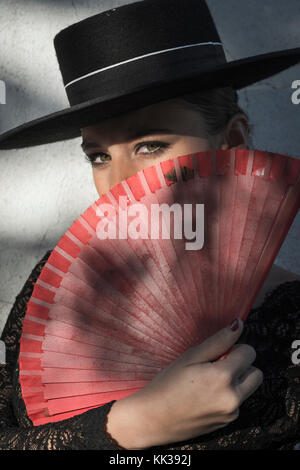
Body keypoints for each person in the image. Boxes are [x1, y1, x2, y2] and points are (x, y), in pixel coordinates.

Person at [0, 0, 300, 451]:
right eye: (98, 156)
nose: (118, 183)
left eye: (150, 145)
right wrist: (129, 426)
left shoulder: (291, 317)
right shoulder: (58, 285)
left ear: (232, 145)